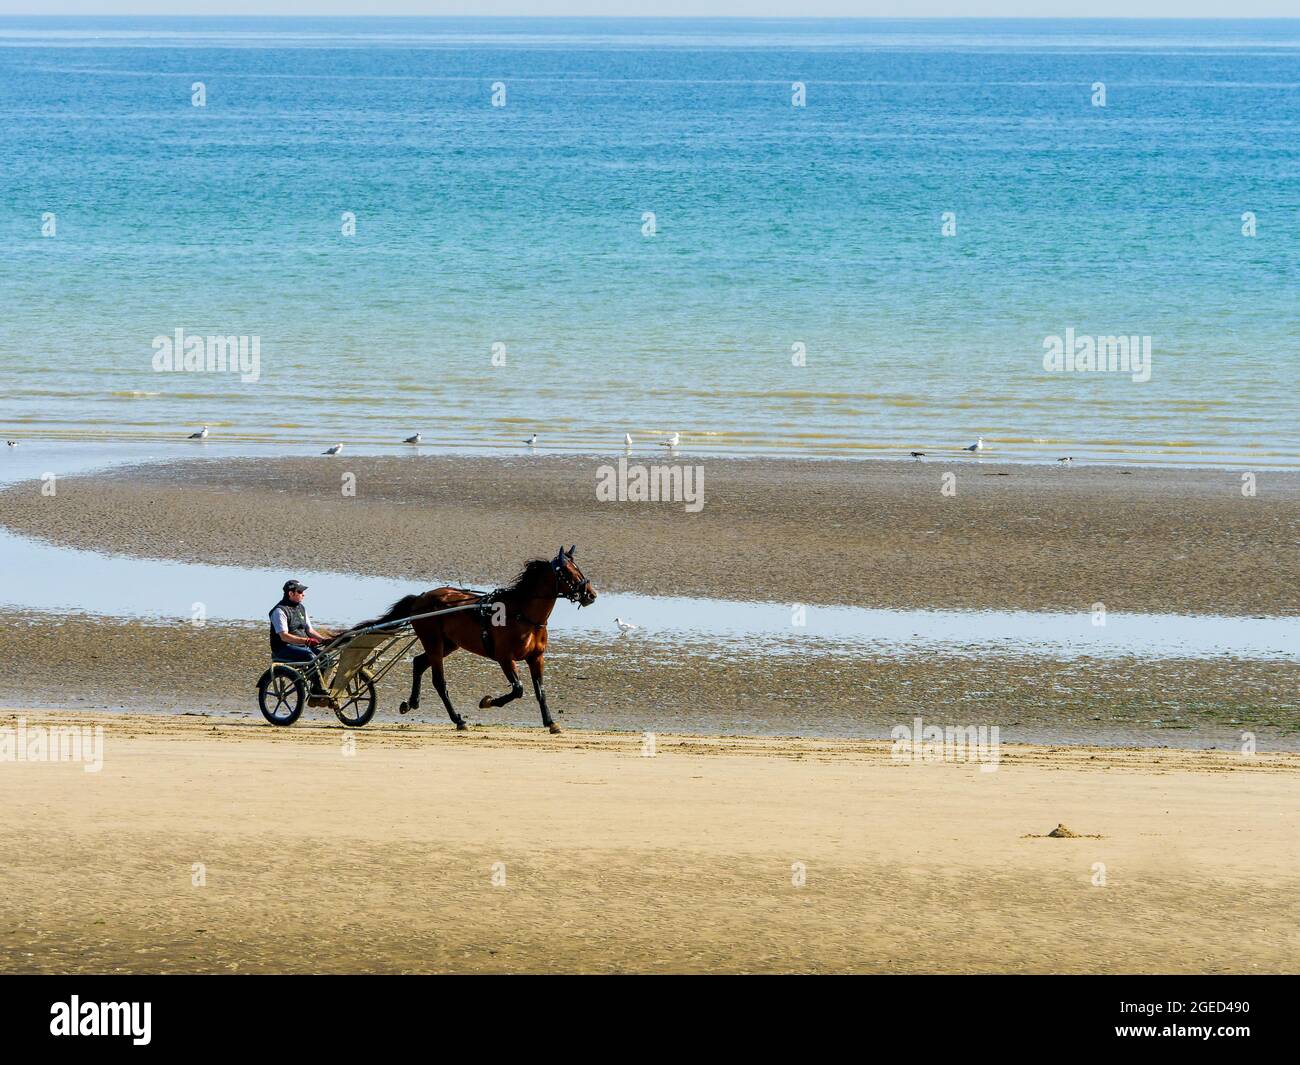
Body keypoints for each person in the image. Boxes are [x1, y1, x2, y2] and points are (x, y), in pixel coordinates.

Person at [269, 580, 334, 673]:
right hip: (283, 648)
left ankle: (320, 684)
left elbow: (310, 631)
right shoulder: (279, 611)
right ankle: (318, 686)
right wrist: (307, 641)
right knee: (310, 656)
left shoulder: (301, 608)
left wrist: (324, 640)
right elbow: (284, 636)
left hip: (302, 646)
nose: (303, 594)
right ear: (291, 593)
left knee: (326, 658)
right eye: (300, 592)